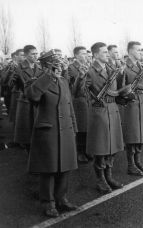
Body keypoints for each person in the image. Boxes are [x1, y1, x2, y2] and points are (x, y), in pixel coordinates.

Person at [25, 50, 78, 217]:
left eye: (61, 62)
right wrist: (48, 76)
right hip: (48, 130)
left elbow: (69, 105)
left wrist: (74, 127)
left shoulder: (63, 81)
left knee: (65, 167)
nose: (60, 66)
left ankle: (61, 198)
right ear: (47, 65)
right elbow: (32, 96)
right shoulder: (37, 81)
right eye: (56, 63)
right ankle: (48, 203)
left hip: (66, 129)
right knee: (49, 169)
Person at [77, 42, 124, 193]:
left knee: (113, 147)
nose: (107, 54)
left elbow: (116, 90)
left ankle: (109, 176)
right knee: (101, 148)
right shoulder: (90, 71)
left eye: (107, 52)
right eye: (104, 52)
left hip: (112, 110)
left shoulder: (110, 69)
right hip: (100, 112)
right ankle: (100, 179)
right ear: (95, 55)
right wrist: (81, 77)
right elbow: (79, 91)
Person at [117, 41, 143, 176]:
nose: (141, 52)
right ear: (130, 52)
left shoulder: (142, 66)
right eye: (138, 50)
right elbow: (120, 89)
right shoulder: (124, 67)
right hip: (132, 103)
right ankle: (131, 164)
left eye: (142, 50)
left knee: (142, 134)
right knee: (133, 134)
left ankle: (138, 161)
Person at [11, 45, 43, 152]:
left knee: (37, 129)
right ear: (26, 55)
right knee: (27, 129)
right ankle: (28, 151)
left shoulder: (39, 67)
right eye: (32, 54)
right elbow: (19, 84)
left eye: (36, 54)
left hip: (38, 100)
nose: (35, 56)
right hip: (26, 101)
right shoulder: (19, 67)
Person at [68, 46, 90, 163]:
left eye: (86, 53)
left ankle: (86, 150)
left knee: (87, 127)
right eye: (82, 54)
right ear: (76, 56)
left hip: (88, 99)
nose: (85, 56)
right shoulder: (71, 68)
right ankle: (79, 152)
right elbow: (73, 88)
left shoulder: (89, 66)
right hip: (79, 101)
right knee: (81, 127)